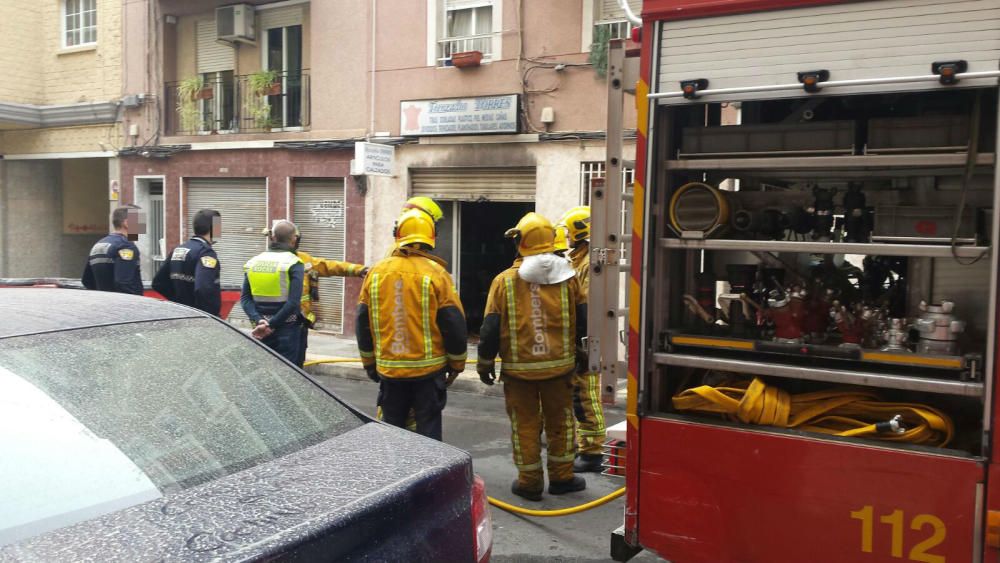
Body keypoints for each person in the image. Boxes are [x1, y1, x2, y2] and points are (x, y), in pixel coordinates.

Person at [478, 212, 588, 501]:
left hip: (519, 372)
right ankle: (562, 478)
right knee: (561, 422)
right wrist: (584, 353)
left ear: (521, 241)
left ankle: (530, 482)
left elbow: (490, 327)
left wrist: (485, 362)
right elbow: (584, 319)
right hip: (560, 369)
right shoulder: (569, 277)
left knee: (525, 425)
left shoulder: (503, 281)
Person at [356, 208, 467, 441]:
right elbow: (453, 323)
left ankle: (397, 474)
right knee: (428, 434)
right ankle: (430, 476)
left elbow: (362, 321)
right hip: (428, 374)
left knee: (393, 432)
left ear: (398, 235)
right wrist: (457, 364)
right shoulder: (437, 274)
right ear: (431, 237)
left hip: (390, 373)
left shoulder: (376, 272)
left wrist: (369, 363)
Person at [559, 205, 606, 473]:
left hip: (587, 340)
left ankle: (593, 452)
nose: (566, 237)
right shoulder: (579, 260)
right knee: (580, 395)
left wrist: (581, 344)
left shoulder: (588, 263)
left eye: (568, 232)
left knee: (586, 397)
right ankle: (585, 446)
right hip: (582, 338)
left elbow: (585, 305)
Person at [294, 231, 368, 367]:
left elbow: (329, 266)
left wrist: (360, 270)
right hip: (285, 325)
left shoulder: (303, 260)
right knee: (288, 366)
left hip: (296, 324)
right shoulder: (295, 261)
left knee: (294, 366)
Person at [240, 220, 305, 364]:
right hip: (286, 330)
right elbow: (293, 302)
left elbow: (245, 299)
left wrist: (259, 320)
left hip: (260, 329)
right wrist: (272, 325)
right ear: (294, 239)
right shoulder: (294, 263)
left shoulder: (253, 262)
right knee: (288, 375)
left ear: (273, 237)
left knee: (265, 374)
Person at [152, 209, 222, 315]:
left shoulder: (179, 249)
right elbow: (204, 288)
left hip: (181, 313)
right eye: (219, 227)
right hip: (201, 318)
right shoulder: (206, 253)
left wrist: (178, 301)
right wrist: (210, 315)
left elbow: (158, 283)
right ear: (212, 228)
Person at [82, 206, 143, 295]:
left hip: (104, 303)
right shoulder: (126, 246)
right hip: (125, 305)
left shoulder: (99, 244)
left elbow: (87, 280)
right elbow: (124, 282)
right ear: (127, 223)